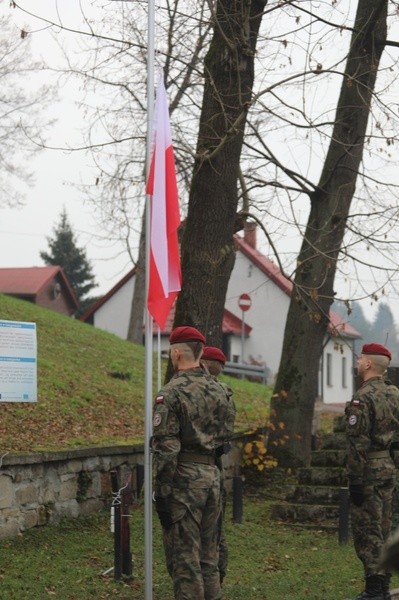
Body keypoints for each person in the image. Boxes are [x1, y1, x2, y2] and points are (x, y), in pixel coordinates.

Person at [152, 326, 236, 600]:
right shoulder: (221, 390)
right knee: (208, 559)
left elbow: (166, 447)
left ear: (176, 352)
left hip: (184, 481)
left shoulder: (172, 393)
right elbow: (226, 437)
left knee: (185, 561)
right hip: (212, 477)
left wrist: (161, 490)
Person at [345, 343, 399, 600]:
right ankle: (384, 582)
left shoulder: (362, 398)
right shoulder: (395, 394)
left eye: (359, 359)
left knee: (367, 529)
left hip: (368, 469)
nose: (357, 362)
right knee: (385, 526)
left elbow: (357, 443)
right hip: (388, 467)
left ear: (368, 364)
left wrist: (355, 479)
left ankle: (375, 588)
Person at [201, 345, 236, 586]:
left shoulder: (198, 391)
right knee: (216, 526)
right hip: (215, 468)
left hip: (195, 467)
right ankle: (218, 573)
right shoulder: (226, 394)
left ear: (203, 363)